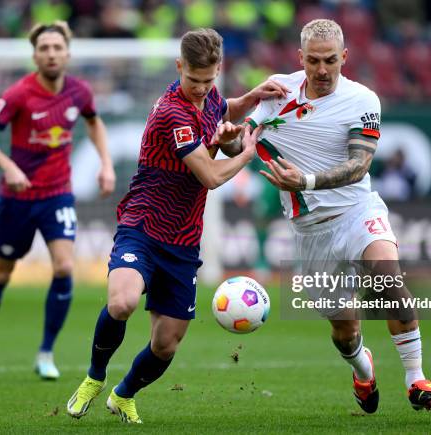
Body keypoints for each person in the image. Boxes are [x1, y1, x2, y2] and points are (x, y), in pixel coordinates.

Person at [217, 19, 431, 413]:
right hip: (310, 231)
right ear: (300, 58)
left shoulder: (363, 100)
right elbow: (244, 140)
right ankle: (363, 369)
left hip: (358, 209)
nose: (322, 71)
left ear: (344, 57)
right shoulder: (277, 90)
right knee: (344, 330)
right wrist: (228, 141)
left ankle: (416, 379)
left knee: (388, 279)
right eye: (314, 61)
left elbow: (359, 165)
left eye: (330, 61)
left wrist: (303, 180)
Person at [66, 28, 288, 424]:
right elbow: (210, 176)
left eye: (209, 80)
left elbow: (222, 108)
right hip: (143, 225)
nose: (202, 89)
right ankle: (94, 377)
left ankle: (124, 394)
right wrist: (248, 151)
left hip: (183, 240)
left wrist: (250, 99)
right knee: (122, 302)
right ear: (178, 66)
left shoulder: (209, 97)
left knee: (166, 345)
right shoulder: (173, 112)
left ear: (218, 69)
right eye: (194, 80)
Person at [0, 21, 116, 381]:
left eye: (57, 47)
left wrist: (106, 164)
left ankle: (46, 352)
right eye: (44, 48)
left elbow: (94, 122)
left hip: (57, 194)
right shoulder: (19, 93)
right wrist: (9, 167)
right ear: (35, 55)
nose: (51, 53)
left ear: (67, 53)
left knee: (65, 267)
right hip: (18, 198)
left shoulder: (80, 92)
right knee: (2, 274)